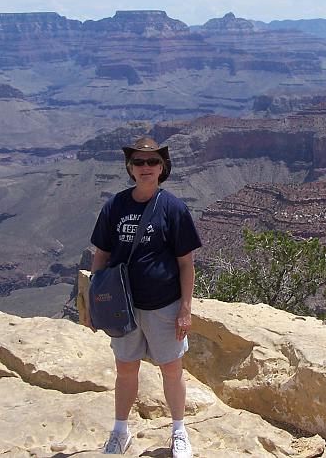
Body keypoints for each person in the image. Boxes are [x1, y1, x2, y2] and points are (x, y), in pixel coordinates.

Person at [89, 137, 201, 456]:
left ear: (162, 167)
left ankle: (179, 431)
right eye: (139, 162)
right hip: (122, 309)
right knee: (125, 369)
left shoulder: (173, 208)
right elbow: (100, 255)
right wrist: (92, 302)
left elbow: (186, 263)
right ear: (130, 168)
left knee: (171, 369)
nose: (146, 167)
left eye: (152, 162)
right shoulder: (115, 206)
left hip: (164, 306)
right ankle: (120, 430)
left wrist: (185, 309)